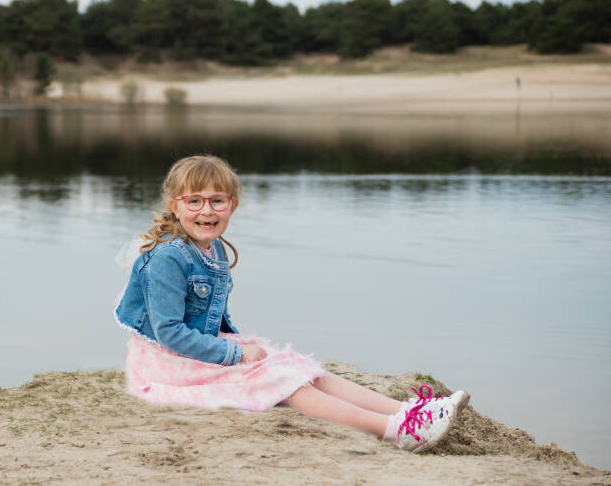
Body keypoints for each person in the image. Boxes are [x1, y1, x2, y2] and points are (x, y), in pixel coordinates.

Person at [114, 155, 469, 453]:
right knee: (284, 381)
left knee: (298, 365)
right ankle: (397, 430)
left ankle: (410, 410)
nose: (206, 211)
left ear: (232, 205)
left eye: (217, 201)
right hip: (168, 360)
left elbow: (211, 316)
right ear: (175, 205)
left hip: (197, 348)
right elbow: (170, 332)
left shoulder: (213, 248)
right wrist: (236, 355)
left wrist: (239, 346)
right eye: (194, 201)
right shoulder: (167, 257)